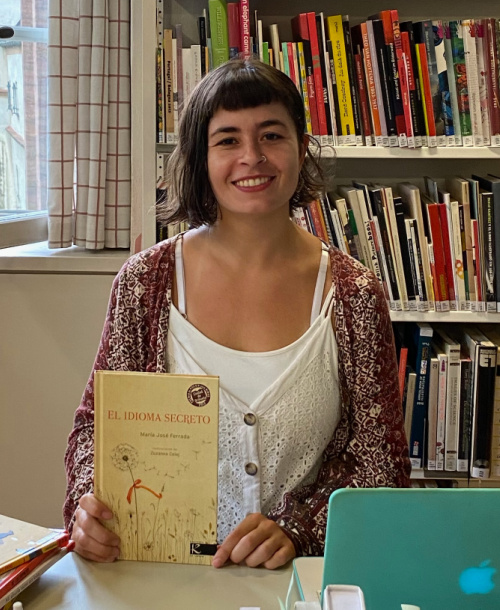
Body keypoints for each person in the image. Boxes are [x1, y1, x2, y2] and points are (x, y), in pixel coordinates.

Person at [64, 57, 410, 570]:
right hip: (156, 576)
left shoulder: (353, 292)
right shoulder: (144, 284)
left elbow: (380, 464)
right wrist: (87, 509)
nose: (252, 156)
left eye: (271, 135)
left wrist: (299, 529)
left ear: (301, 149)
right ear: (199, 159)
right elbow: (96, 429)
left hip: (295, 582)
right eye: (227, 139)